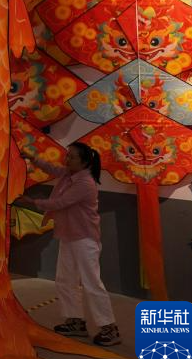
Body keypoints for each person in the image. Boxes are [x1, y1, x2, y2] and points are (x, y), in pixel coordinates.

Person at [19, 142, 121, 346]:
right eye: (67, 155)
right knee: (65, 280)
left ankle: (109, 328)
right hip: (69, 236)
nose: (67, 159)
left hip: (84, 239)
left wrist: (32, 202)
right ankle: (76, 321)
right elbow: (51, 168)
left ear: (84, 162)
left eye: (72, 157)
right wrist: (32, 158)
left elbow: (60, 203)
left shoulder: (85, 183)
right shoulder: (69, 174)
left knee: (91, 283)